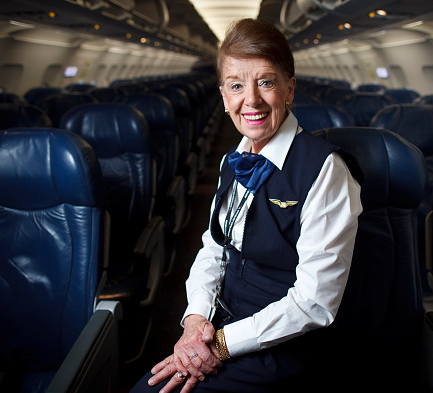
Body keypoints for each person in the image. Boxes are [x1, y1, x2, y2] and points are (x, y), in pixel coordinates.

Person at [129, 18, 363, 393]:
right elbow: (214, 249)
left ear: (289, 89)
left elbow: (315, 302)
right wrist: (194, 322)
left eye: (266, 82)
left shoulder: (326, 170)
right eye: (236, 85)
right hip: (225, 327)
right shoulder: (233, 161)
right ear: (223, 96)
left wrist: (220, 345)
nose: (250, 100)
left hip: (287, 345)